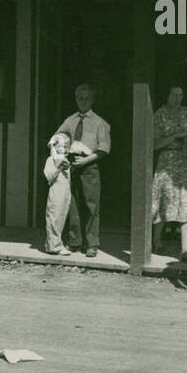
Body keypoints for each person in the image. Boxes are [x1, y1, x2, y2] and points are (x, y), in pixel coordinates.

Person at [56, 83, 110, 257]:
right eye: (80, 98)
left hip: (89, 166)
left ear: (93, 100)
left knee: (91, 204)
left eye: (87, 98)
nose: (83, 102)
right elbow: (58, 138)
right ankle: (75, 241)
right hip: (71, 165)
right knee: (72, 203)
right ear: (75, 99)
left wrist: (86, 160)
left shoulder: (100, 123)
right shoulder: (70, 120)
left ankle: (92, 244)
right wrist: (62, 157)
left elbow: (104, 149)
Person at [151, 85, 187, 262]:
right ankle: (156, 241)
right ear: (167, 96)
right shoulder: (159, 114)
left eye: (180, 95)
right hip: (167, 160)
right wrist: (175, 136)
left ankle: (185, 250)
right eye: (174, 95)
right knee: (163, 199)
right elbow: (154, 143)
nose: (177, 98)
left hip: (186, 161)